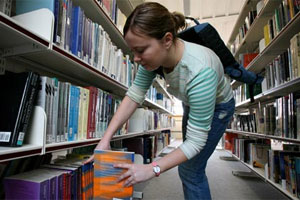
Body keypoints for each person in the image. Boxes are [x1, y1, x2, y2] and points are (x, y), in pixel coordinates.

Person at [89, 2, 235, 199]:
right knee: (188, 166)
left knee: (191, 171)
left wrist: (152, 169)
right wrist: (105, 140)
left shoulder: (201, 72)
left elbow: (195, 143)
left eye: (140, 50)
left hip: (219, 107)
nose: (135, 58)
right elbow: (134, 94)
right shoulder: (154, 58)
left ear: (167, 40)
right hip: (191, 102)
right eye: (133, 51)